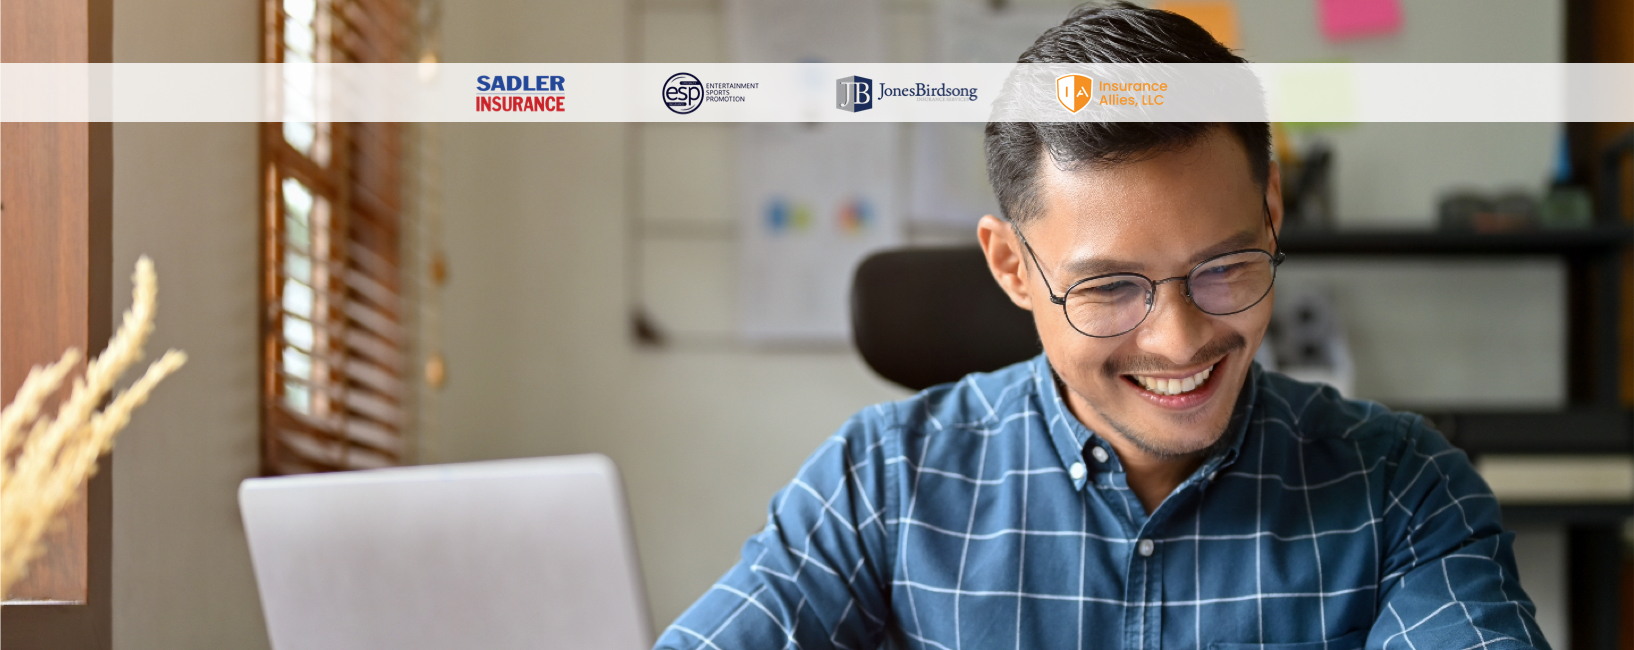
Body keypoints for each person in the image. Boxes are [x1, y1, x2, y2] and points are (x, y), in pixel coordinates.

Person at [654, 4, 1547, 649]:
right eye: (1112, 287)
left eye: (1224, 267)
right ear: (1012, 267)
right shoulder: (882, 482)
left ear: (1273, 212)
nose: (1179, 340)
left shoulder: (1401, 489)